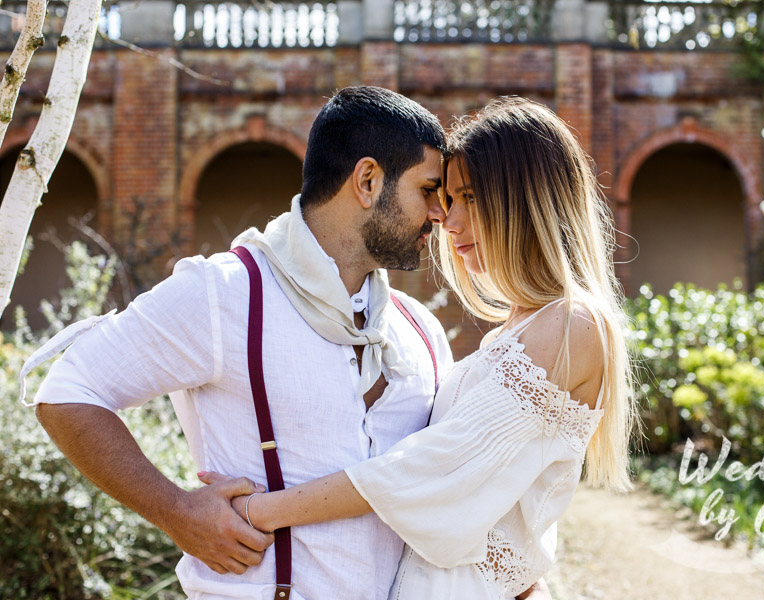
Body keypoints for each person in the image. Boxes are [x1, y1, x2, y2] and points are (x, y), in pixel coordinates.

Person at [24, 86, 456, 600]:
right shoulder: (224, 293)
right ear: (367, 181)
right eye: (428, 189)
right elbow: (69, 392)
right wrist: (175, 510)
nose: (439, 213)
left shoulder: (420, 330)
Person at [199, 97, 640, 600]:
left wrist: (259, 511)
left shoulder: (573, 326)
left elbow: (432, 470)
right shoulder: (515, 332)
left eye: (469, 197)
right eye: (447, 199)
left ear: (527, 199)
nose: (448, 223)